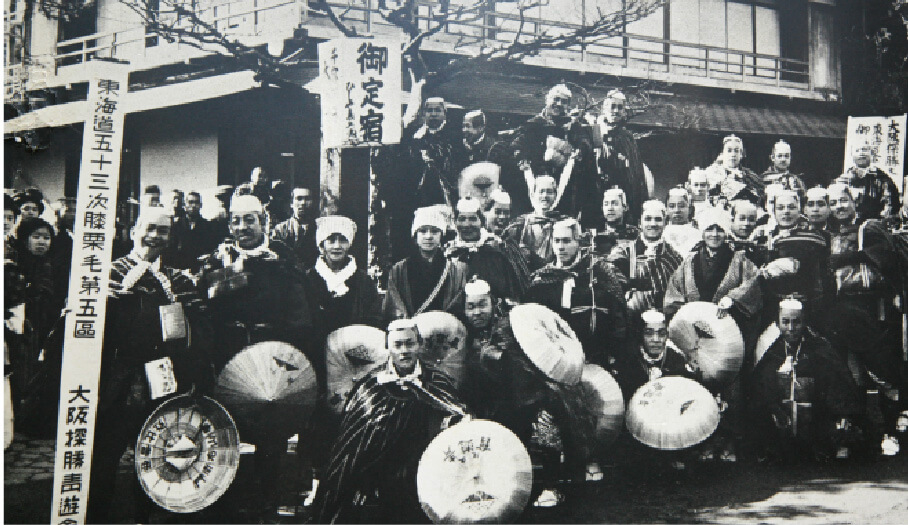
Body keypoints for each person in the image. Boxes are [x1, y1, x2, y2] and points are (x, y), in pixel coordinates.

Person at [85, 208, 206, 523]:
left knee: (156, 455)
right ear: (133, 230)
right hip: (115, 377)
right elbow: (82, 325)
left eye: (162, 231)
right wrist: (98, 300)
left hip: (162, 378)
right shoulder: (106, 273)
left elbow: (198, 331)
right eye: (149, 228)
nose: (154, 236)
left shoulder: (178, 279)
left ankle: (146, 517)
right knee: (104, 459)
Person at [197, 194, 313, 519]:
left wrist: (287, 356)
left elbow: (300, 314)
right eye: (236, 220)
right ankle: (227, 503)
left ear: (264, 221)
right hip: (227, 356)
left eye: (250, 219)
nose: (242, 227)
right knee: (226, 430)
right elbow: (205, 309)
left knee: (270, 433)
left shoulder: (283, 258)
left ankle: (265, 504)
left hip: (270, 357)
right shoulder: (216, 259)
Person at [314, 319, 469, 523]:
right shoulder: (371, 387)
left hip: (425, 475)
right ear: (388, 348)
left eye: (409, 343)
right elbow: (350, 448)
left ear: (419, 345)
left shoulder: (437, 381)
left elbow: (458, 419)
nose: (404, 351)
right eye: (397, 345)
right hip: (380, 480)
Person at [824, 183, 906, 455]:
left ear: (854, 202)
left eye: (843, 200)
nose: (839, 207)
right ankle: (858, 434)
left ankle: (889, 431)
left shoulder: (868, 228)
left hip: (871, 306)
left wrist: (849, 256)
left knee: (881, 371)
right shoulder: (827, 233)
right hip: (841, 308)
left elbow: (885, 259)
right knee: (851, 373)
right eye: (833, 203)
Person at [749, 299, 862, 462]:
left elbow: (836, 382)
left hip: (813, 416)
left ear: (804, 322)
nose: (791, 328)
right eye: (785, 322)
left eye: (796, 322)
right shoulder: (769, 349)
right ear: (778, 322)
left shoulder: (818, 346)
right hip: (780, 417)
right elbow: (761, 389)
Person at [525, 218, 628, 368]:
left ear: (578, 243)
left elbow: (617, 315)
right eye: (557, 241)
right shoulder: (542, 279)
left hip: (595, 357)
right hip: (558, 358)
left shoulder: (599, 271)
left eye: (566, 241)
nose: (561, 247)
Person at [6, 218, 60, 437]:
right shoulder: (14, 263)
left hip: (40, 325)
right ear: (24, 238)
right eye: (36, 237)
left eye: (46, 238)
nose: (41, 242)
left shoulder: (49, 265)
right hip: (16, 326)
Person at [383, 205, 468, 321]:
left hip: (443, 331)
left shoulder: (456, 271)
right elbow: (393, 305)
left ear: (441, 235)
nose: (428, 236)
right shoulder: (398, 270)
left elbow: (457, 306)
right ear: (415, 235)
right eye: (423, 231)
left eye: (434, 231)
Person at [445, 197, 530, 301]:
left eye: (472, 219)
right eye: (462, 219)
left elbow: (515, 291)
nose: (467, 224)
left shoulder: (500, 249)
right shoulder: (449, 253)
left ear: (481, 221)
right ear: (455, 223)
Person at [607, 200, 683, 314]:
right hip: (630, 321)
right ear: (639, 223)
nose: (653, 224)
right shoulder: (622, 253)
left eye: (658, 219)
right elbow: (612, 292)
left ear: (665, 223)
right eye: (648, 219)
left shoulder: (675, 258)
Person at [609, 309, 698, 403]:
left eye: (661, 333)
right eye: (649, 333)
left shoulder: (676, 359)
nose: (656, 339)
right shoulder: (628, 360)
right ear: (640, 335)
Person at [594, 89, 648, 223]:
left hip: (621, 195)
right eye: (612, 106)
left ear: (624, 112)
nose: (616, 111)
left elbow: (636, 173)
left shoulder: (628, 138)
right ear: (604, 109)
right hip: (596, 193)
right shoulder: (594, 132)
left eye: (620, 108)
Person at [503, 175, 569, 271]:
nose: (545, 196)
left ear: (555, 195)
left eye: (549, 192)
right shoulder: (520, 223)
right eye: (541, 191)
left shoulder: (563, 223)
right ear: (533, 194)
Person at [836, 139, 900, 222]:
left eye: (864, 150)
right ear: (852, 154)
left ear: (872, 154)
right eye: (857, 150)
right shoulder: (844, 179)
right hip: (850, 222)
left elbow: (891, 202)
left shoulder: (881, 177)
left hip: (875, 222)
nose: (861, 153)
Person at [704, 135, 763, 206]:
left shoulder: (749, 175)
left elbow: (761, 194)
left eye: (736, 151)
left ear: (741, 154)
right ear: (722, 153)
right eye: (729, 150)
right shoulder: (710, 172)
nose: (733, 154)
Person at [271, 186, 319, 268]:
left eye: (307, 199)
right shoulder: (280, 229)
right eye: (299, 198)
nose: (303, 203)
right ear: (291, 203)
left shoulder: (319, 228)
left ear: (313, 203)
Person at [170, 191, 217, 271]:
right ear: (185, 205)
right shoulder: (176, 226)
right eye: (190, 202)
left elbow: (211, 249)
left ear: (201, 205)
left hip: (200, 270)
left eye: (196, 203)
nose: (194, 206)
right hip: (179, 270)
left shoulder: (208, 226)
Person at [663, 187, 701, 255]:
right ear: (666, 210)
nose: (677, 210)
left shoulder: (698, 235)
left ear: (689, 209)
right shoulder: (662, 234)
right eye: (672, 206)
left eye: (681, 206)